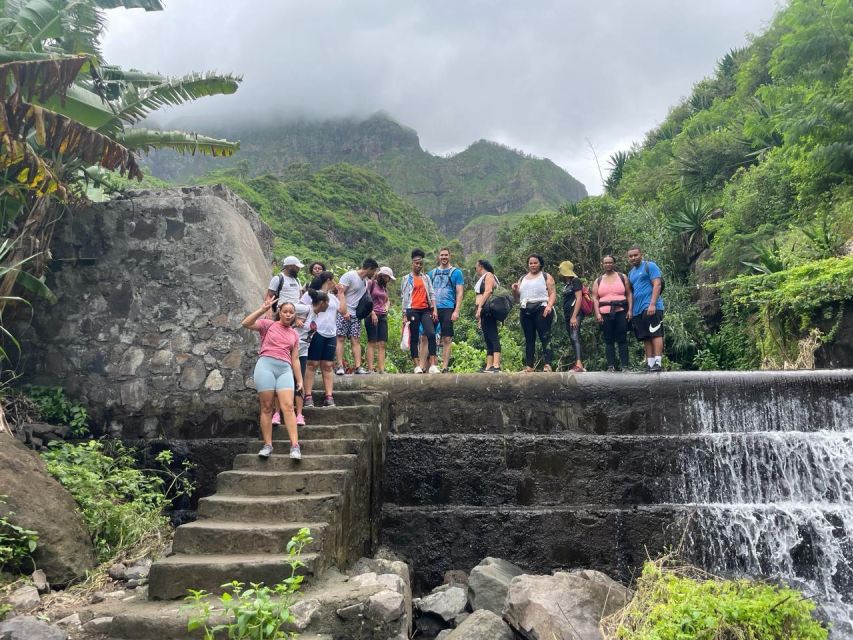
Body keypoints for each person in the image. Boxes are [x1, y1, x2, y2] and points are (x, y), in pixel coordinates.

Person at [241, 300, 304, 460]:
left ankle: (295, 446)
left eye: (291, 312)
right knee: (267, 407)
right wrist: (262, 309)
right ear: (280, 312)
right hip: (266, 366)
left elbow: (295, 359)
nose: (288, 314)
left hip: (284, 369)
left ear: (294, 314)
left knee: (288, 407)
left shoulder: (294, 334)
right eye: (285, 311)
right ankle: (267, 445)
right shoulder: (268, 325)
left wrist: (300, 380)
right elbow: (246, 323)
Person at [264, 256, 304, 428]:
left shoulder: (297, 280)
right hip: (280, 319)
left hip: (294, 321)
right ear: (289, 266)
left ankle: (294, 412)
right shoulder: (278, 278)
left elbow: (301, 300)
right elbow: (269, 297)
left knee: (294, 358)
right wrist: (268, 316)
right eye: (296, 266)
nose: (299, 269)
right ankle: (276, 413)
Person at [512, 254, 557, 373]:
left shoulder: (546, 276)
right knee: (529, 339)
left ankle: (547, 364)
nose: (533, 265)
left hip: (542, 308)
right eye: (531, 263)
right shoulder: (522, 278)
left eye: (535, 263)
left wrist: (549, 306)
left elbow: (552, 293)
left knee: (545, 337)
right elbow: (517, 299)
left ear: (540, 264)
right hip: (525, 309)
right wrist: (515, 291)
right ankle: (529, 366)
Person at [335, 258, 379, 375]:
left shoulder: (365, 281)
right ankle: (339, 366)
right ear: (370, 269)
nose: (374, 274)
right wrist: (344, 312)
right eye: (374, 271)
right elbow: (340, 293)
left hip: (355, 315)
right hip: (343, 312)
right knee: (340, 338)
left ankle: (358, 367)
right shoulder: (349, 276)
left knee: (356, 340)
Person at [302, 273, 340, 407]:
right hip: (316, 331)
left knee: (328, 365)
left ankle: (329, 396)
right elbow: (301, 308)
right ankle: (307, 396)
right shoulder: (311, 294)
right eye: (333, 280)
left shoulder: (333, 298)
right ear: (328, 280)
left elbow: (343, 311)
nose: (335, 282)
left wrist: (341, 293)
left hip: (331, 333)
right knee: (312, 363)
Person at [627, 245, 665, 372]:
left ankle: (658, 363)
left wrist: (652, 304)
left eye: (635, 255)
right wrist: (631, 310)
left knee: (655, 333)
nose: (633, 258)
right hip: (638, 309)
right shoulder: (631, 273)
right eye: (631, 256)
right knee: (645, 336)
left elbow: (657, 284)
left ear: (641, 255)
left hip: (651, 306)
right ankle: (650, 363)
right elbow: (631, 292)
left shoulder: (650, 266)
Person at [401, 248, 439, 374]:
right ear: (412, 263)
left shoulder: (426, 278)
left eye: (420, 264)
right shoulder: (407, 278)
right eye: (416, 263)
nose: (418, 265)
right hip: (412, 310)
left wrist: (434, 309)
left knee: (431, 334)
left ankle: (433, 365)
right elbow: (404, 297)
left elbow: (432, 294)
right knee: (414, 337)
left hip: (425, 310)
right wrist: (404, 314)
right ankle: (417, 366)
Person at [592, 255, 633, 372]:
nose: (608, 264)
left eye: (610, 262)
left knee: (622, 338)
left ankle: (625, 366)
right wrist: (597, 314)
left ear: (614, 263)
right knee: (608, 339)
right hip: (604, 313)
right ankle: (611, 366)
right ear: (602, 264)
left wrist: (630, 310)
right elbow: (595, 298)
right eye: (605, 263)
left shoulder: (622, 277)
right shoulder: (598, 280)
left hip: (621, 311)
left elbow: (629, 293)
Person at [428, 248, 465, 373]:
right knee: (429, 336)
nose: (444, 257)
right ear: (438, 257)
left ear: (450, 256)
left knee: (447, 338)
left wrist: (456, 310)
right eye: (442, 255)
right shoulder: (432, 273)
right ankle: (431, 365)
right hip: (433, 308)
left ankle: (444, 367)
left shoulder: (456, 273)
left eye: (446, 255)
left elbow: (459, 292)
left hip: (448, 307)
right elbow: (427, 291)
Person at [558, 260, 587, 373]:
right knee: (572, 337)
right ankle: (579, 363)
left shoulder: (575, 281)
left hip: (575, 314)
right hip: (568, 315)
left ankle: (579, 364)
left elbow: (579, 298)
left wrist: (574, 316)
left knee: (575, 336)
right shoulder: (567, 283)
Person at [365, 266, 395, 374]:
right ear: (382, 275)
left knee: (382, 343)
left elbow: (386, 300)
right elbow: (365, 299)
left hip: (382, 316)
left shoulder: (384, 288)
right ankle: (370, 369)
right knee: (372, 342)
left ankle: (381, 369)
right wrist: (372, 312)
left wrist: (387, 306)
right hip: (371, 315)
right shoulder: (371, 284)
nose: (388, 280)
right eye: (387, 277)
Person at [474, 259, 502, 372]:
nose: (475, 268)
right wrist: (480, 316)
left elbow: (488, 290)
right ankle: (489, 366)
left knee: (493, 336)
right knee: (488, 338)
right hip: (484, 311)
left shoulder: (489, 275)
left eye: (476, 266)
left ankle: (496, 366)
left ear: (480, 265)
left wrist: (480, 306)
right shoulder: (483, 277)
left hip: (488, 309)